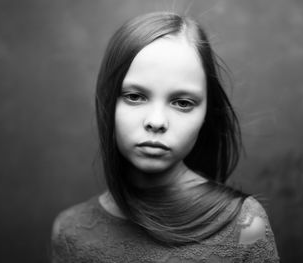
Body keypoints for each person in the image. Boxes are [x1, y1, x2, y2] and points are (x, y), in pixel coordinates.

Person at [51, 12, 279, 262]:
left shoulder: (245, 224)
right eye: (135, 97)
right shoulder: (71, 231)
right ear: (107, 102)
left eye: (182, 103)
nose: (157, 121)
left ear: (206, 113)